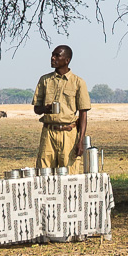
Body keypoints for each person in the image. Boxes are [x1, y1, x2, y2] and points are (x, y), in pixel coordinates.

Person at [32, 43, 90, 172]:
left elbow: (83, 114)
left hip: (69, 134)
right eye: (52, 55)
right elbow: (36, 109)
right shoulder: (45, 80)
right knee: (44, 173)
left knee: (70, 174)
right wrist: (45, 109)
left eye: (57, 56)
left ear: (67, 60)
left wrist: (80, 141)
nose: (53, 58)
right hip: (48, 133)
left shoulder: (78, 82)